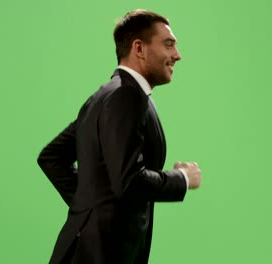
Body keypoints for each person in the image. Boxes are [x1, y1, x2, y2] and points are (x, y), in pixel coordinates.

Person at [37, 9, 202, 264]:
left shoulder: (104, 95)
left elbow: (52, 158)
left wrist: (93, 206)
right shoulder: (126, 96)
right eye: (168, 44)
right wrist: (181, 178)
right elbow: (130, 181)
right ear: (139, 48)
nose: (177, 55)